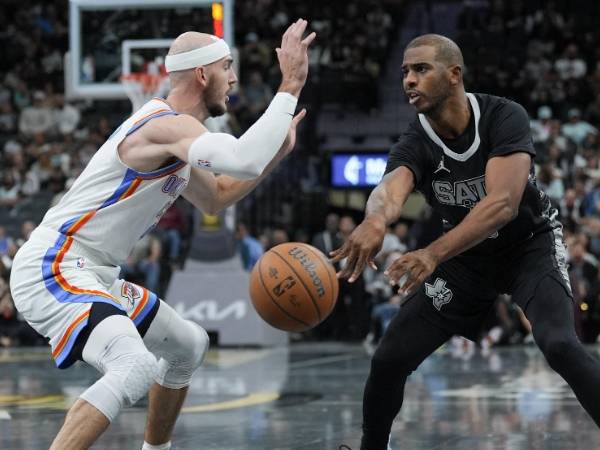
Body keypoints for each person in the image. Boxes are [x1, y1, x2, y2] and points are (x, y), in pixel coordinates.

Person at [10, 19, 315, 450]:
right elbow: (243, 158)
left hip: (94, 272)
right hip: (55, 263)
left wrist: (276, 155)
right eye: (228, 67)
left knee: (188, 346)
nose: (234, 79)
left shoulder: (179, 140)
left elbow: (217, 197)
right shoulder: (163, 125)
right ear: (203, 74)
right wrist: (291, 84)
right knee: (131, 365)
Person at [332, 34, 600, 450]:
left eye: (420, 69)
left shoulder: (503, 115)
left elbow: (503, 204)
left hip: (529, 244)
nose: (408, 80)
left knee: (560, 344)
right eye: (404, 71)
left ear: (454, 74)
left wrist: (431, 253)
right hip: (467, 260)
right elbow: (391, 188)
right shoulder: (416, 140)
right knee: (389, 358)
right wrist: (374, 220)